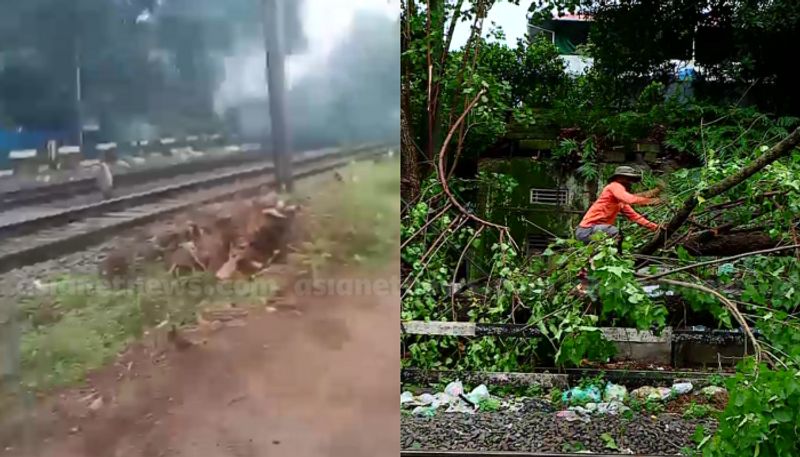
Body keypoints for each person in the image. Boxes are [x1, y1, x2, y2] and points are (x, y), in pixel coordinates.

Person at [575, 166, 662, 245]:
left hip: (597, 231)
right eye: (628, 179)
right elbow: (630, 199)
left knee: (615, 235)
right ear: (619, 178)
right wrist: (651, 201)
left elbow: (635, 217)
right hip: (586, 231)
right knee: (613, 231)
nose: (630, 183)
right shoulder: (614, 186)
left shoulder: (620, 202)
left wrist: (655, 227)